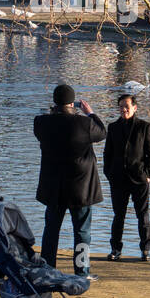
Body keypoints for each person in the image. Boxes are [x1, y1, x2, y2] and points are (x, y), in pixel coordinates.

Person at [34, 84, 105, 278]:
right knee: (82, 231)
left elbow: (46, 124)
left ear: (55, 103)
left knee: (51, 231)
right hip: (80, 188)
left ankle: (47, 268)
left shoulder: (41, 123)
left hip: (54, 188)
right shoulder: (84, 124)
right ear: (72, 103)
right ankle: (81, 271)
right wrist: (90, 113)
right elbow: (102, 132)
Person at [103, 94, 150, 262]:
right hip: (118, 179)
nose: (123, 109)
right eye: (120, 106)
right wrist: (109, 173)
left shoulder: (144, 127)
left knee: (142, 215)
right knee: (118, 215)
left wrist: (148, 175)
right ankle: (115, 249)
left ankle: (145, 250)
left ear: (135, 107)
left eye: (126, 106)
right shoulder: (113, 127)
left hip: (139, 179)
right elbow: (108, 154)